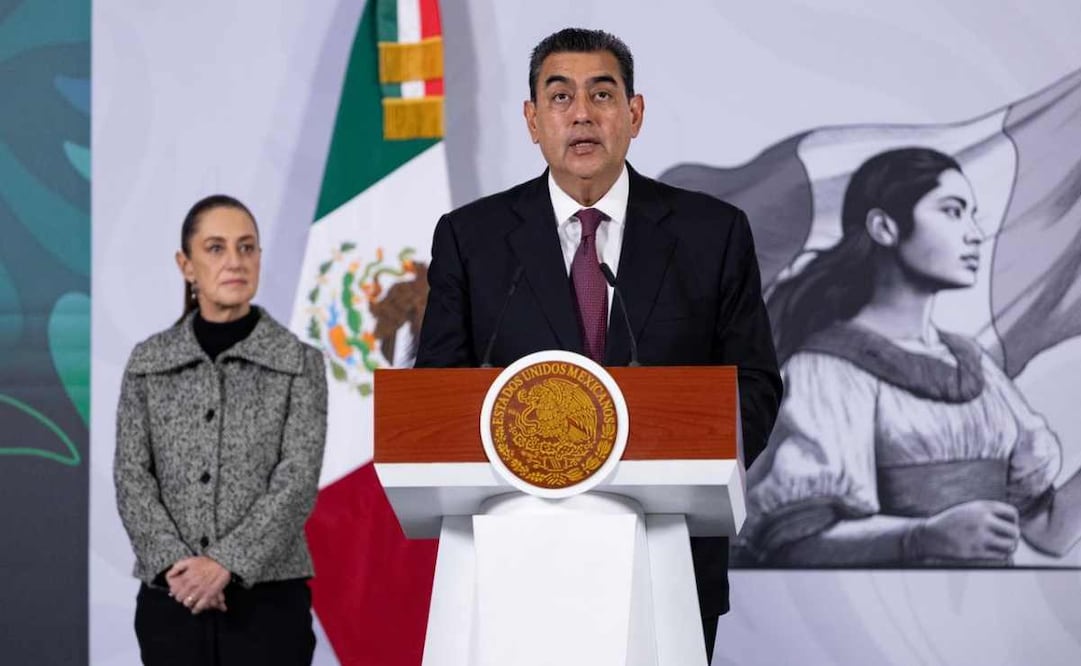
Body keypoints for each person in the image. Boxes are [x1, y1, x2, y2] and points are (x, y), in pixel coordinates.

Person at [415, 28, 782, 660]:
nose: (581, 113)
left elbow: (754, 386)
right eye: (559, 97)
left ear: (634, 114)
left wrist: (678, 458)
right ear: (532, 120)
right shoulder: (470, 240)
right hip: (512, 560)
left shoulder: (710, 233)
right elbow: (438, 400)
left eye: (602, 94)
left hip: (668, 553)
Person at [739, 147, 1081, 566]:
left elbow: (1049, 531)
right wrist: (921, 538)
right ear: (884, 227)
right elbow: (793, 543)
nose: (974, 233)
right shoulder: (826, 370)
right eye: (953, 212)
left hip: (983, 621)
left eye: (973, 215)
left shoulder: (974, 366)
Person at [114, 194, 328, 665]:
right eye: (215, 248)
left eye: (247, 247)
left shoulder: (299, 363)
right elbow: (131, 478)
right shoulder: (148, 363)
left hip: (270, 606)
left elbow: (296, 482)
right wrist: (180, 570)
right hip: (172, 601)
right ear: (185, 264)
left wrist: (226, 564)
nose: (235, 261)